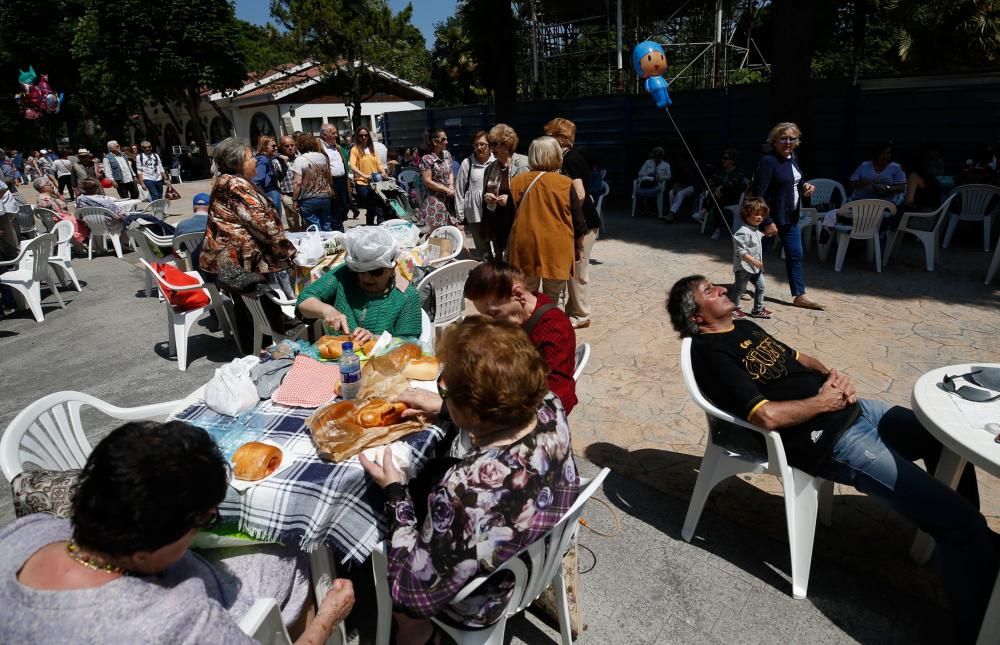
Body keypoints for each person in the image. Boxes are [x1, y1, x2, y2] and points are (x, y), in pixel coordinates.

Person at [666, 274, 998, 644]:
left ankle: (976, 551)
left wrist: (832, 375)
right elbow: (766, 417)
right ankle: (981, 626)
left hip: (857, 410)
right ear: (696, 317)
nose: (724, 289)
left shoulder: (744, 325)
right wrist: (822, 403)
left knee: (942, 439)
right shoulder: (709, 353)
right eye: (710, 292)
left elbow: (798, 358)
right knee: (959, 524)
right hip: (832, 440)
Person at [0, 420, 354, 644]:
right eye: (202, 522)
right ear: (144, 549)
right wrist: (327, 617)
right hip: (246, 616)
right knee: (290, 556)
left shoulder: (29, 530)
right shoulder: (177, 622)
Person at [359, 316, 581, 645]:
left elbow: (410, 593)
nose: (442, 393)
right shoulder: (549, 405)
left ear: (476, 412)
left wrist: (395, 492)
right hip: (542, 547)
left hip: (487, 596)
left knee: (405, 605)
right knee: (435, 472)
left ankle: (418, 634)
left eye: (446, 390)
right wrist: (446, 408)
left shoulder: (464, 488)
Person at [199, 137, 297, 351]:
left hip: (230, 260)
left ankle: (253, 351)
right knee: (257, 306)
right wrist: (289, 250)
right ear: (237, 162)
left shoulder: (225, 180)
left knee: (247, 306)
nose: (255, 161)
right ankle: (266, 351)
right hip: (239, 260)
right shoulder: (236, 184)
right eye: (251, 157)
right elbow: (260, 223)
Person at [463, 260, 577, 413]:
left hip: (535, 414)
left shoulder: (553, 327)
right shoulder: (523, 316)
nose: (492, 321)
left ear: (518, 294)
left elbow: (558, 393)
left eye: (494, 313)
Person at [297, 226, 421, 342]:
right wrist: (326, 310)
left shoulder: (406, 296)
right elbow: (304, 300)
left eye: (376, 272)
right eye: (359, 271)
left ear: (392, 268)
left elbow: (410, 342)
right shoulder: (344, 274)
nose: (366, 278)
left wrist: (375, 338)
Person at [752, 122, 822, 310]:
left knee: (795, 255)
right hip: (770, 218)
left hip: (790, 218)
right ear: (774, 141)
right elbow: (760, 194)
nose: (788, 142)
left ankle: (799, 295)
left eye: (792, 138)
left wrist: (806, 186)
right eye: (783, 138)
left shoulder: (793, 157)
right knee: (756, 255)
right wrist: (767, 221)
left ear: (797, 141)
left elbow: (793, 181)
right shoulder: (768, 161)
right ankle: (741, 286)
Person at [506, 136, 586, 300]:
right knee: (552, 297)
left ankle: (529, 324)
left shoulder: (516, 182)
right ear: (556, 155)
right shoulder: (565, 183)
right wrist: (579, 247)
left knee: (526, 296)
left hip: (524, 248)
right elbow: (578, 222)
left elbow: (508, 219)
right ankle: (548, 323)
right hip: (556, 249)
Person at [545, 117, 601, 330]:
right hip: (580, 222)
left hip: (583, 223)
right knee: (573, 269)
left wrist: (564, 212)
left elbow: (579, 193)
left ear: (560, 138)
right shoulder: (567, 157)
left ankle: (581, 314)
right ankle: (573, 310)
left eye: (549, 135)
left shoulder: (570, 158)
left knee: (578, 270)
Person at [481, 123, 530, 259]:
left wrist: (510, 200)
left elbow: (531, 197)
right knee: (501, 262)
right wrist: (487, 197)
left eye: (495, 145)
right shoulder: (490, 168)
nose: (491, 149)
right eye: (490, 145)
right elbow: (486, 192)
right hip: (497, 224)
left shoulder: (523, 165)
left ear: (506, 144)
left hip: (517, 224)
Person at [728, 197, 772, 319]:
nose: (760, 217)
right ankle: (733, 308)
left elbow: (756, 237)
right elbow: (741, 251)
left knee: (761, 286)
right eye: (756, 214)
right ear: (746, 214)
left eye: (762, 215)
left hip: (755, 267)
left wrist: (765, 234)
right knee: (739, 288)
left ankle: (757, 309)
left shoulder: (755, 229)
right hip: (744, 267)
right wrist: (754, 261)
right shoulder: (742, 232)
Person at [455, 131, 493, 258]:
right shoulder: (468, 163)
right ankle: (487, 271)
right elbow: (459, 190)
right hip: (474, 212)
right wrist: (460, 214)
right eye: (476, 145)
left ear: (490, 145)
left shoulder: (496, 161)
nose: (479, 147)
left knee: (496, 245)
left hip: (493, 211)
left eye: (483, 144)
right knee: (482, 247)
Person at [291, 133, 337, 232]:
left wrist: (294, 200)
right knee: (326, 224)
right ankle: (330, 245)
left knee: (314, 227)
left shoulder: (300, 160)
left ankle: (319, 245)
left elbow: (297, 183)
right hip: (325, 196)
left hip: (309, 198)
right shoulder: (323, 157)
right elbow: (329, 176)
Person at [415, 128, 457, 231]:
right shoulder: (427, 159)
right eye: (443, 139)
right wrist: (446, 189)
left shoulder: (446, 154)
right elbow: (427, 182)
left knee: (455, 232)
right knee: (438, 238)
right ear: (435, 142)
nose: (446, 142)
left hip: (449, 199)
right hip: (435, 203)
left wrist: (451, 185)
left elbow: (450, 171)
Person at [702, 148, 747, 240]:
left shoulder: (739, 172)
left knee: (720, 195)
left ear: (732, 161)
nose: (723, 160)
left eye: (725, 158)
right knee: (718, 198)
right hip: (719, 197)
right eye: (722, 158)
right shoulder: (721, 171)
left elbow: (734, 184)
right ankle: (716, 228)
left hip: (733, 199)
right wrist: (717, 189)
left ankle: (705, 210)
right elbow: (712, 182)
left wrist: (721, 188)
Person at [33, 177, 90, 246]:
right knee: (78, 219)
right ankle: (83, 239)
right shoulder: (45, 198)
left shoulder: (44, 196)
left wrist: (56, 194)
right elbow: (63, 206)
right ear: (42, 188)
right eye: (48, 184)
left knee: (77, 217)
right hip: (58, 221)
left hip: (57, 219)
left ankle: (82, 240)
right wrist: (58, 195)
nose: (52, 185)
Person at [349, 127, 388, 225]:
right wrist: (364, 175)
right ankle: (374, 226)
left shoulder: (371, 149)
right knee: (372, 206)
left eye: (366, 135)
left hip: (375, 182)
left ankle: (375, 226)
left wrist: (383, 172)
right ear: (357, 137)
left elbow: (378, 164)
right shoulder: (355, 150)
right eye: (361, 135)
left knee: (377, 207)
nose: (364, 137)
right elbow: (352, 166)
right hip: (362, 182)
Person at [320, 124, 352, 224]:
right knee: (335, 209)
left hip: (342, 181)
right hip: (331, 182)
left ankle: (339, 225)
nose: (336, 135)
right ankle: (337, 229)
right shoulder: (320, 148)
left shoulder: (337, 148)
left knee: (344, 207)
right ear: (325, 135)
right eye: (333, 133)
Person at [173, 192, 211, 272]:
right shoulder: (216, 224)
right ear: (210, 208)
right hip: (215, 261)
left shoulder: (182, 225)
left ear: (193, 208)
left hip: (194, 262)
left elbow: (177, 246)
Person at [275, 135, 302, 231]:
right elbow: (274, 180)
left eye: (292, 145)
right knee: (293, 225)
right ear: (281, 147)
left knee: (307, 224)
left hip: (302, 195)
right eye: (287, 146)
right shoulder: (277, 162)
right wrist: (281, 195)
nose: (290, 148)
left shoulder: (300, 158)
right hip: (288, 196)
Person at [635, 147, 671, 218]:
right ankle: (643, 210)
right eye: (656, 155)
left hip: (659, 184)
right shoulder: (648, 162)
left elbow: (669, 176)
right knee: (640, 189)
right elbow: (640, 173)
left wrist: (660, 177)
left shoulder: (666, 165)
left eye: (659, 156)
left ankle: (655, 210)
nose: (657, 158)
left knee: (659, 191)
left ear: (662, 156)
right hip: (647, 182)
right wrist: (649, 173)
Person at [253, 136, 282, 217]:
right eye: (273, 146)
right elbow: (257, 180)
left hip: (271, 193)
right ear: (264, 147)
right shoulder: (263, 159)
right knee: (276, 221)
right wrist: (265, 197)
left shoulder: (266, 158)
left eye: (276, 146)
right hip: (270, 193)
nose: (276, 148)